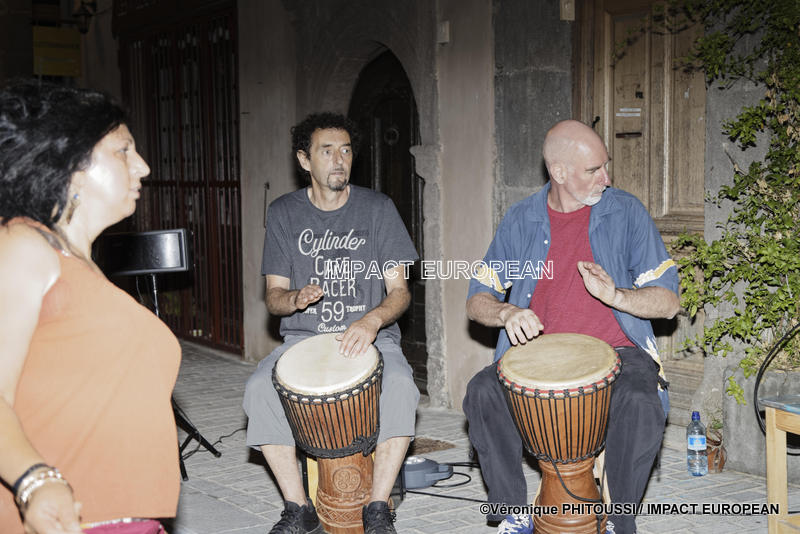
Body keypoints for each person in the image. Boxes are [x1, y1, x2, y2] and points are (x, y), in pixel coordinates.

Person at [463, 119, 680, 534]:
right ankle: (512, 512)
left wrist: (617, 296)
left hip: (618, 353)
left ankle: (618, 521)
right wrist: (507, 313)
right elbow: (477, 298)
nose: (606, 178)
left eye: (605, 166)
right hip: (537, 357)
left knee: (641, 400)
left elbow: (669, 301)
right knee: (482, 390)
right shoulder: (521, 219)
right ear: (559, 172)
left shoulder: (626, 212)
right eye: (593, 170)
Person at [0, 80, 180, 534]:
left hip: (126, 515)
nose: (143, 166)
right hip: (65, 516)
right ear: (73, 166)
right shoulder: (23, 244)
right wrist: (34, 481)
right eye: (123, 150)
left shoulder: (84, 268)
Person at [243, 112, 419, 534]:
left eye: (346, 150)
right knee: (258, 389)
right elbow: (273, 297)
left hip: (373, 339)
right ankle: (297, 507)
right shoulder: (284, 212)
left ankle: (377, 508)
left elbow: (400, 291)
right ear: (304, 160)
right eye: (327, 151)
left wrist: (371, 321)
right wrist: (294, 298)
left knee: (401, 386)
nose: (339, 160)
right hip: (303, 341)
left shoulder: (378, 209)